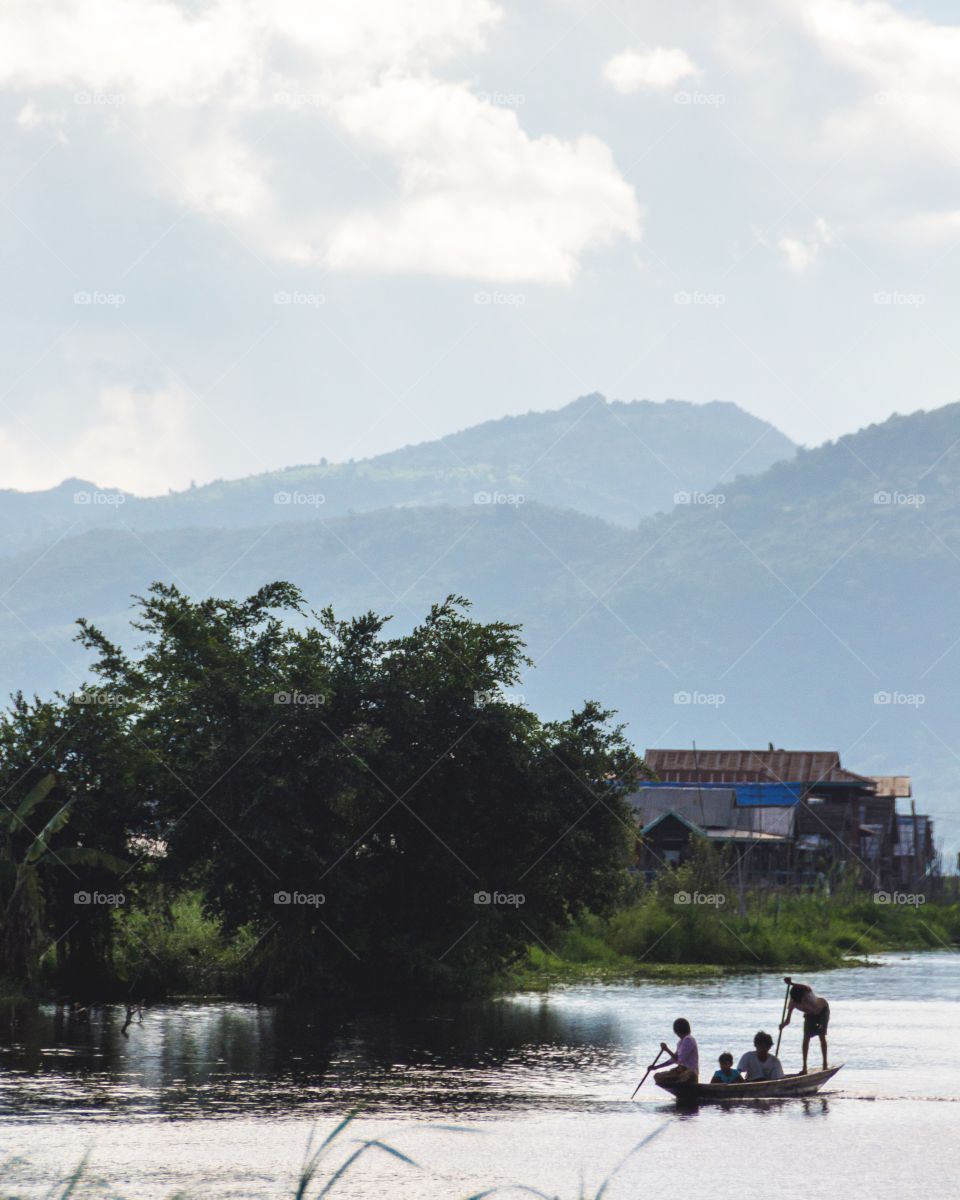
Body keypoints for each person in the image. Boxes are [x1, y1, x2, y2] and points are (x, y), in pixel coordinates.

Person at [779, 976, 830, 1074]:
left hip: (822, 1011)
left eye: (801, 999)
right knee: (806, 1038)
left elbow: (805, 987)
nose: (800, 1001)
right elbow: (788, 1020)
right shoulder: (793, 1002)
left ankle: (825, 1064)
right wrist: (783, 1025)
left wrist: (791, 984)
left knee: (821, 1035)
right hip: (810, 1015)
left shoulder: (807, 992)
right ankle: (804, 1067)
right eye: (797, 1000)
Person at [652, 1017, 699, 1085]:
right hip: (680, 1071)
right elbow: (673, 1060)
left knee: (688, 1075)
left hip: (689, 1073)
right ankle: (678, 1082)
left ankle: (680, 1083)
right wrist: (655, 1067)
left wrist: (667, 1049)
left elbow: (679, 1059)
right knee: (657, 1076)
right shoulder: (680, 1042)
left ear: (676, 1031)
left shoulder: (689, 1039)